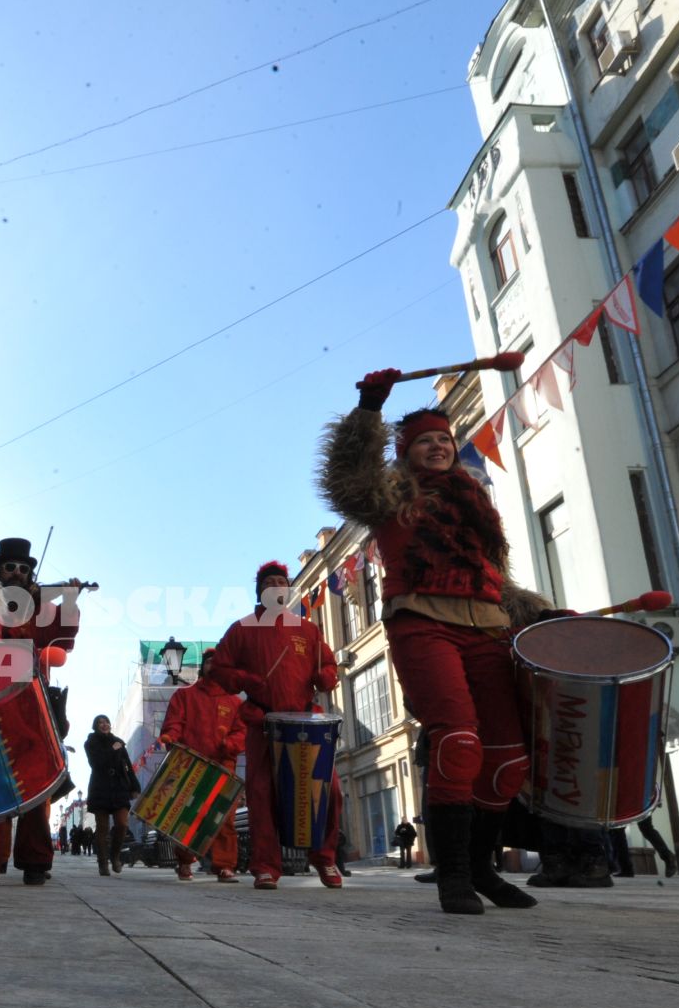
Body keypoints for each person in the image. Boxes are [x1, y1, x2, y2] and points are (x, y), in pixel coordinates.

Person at [320, 370, 550, 915]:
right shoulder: (390, 493)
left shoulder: (477, 506)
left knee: (509, 758)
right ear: (406, 451)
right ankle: (452, 876)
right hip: (421, 621)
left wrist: (539, 613)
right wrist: (369, 410)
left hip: (487, 627)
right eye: (426, 440)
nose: (440, 447)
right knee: (458, 740)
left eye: (445, 440)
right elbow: (348, 477)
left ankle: (481, 868)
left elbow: (494, 578)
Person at [201, 562, 344, 889]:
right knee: (262, 793)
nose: (278, 586)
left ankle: (325, 859)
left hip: (305, 722)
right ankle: (266, 865)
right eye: (271, 582)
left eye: (283, 582)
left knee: (328, 790)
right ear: (261, 591)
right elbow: (220, 668)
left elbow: (328, 664)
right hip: (263, 722)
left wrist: (327, 676)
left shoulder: (307, 629)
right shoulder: (241, 630)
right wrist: (243, 679)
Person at [0, 537, 81, 887]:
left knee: (35, 779)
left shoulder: (40, 607)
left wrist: (70, 597)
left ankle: (35, 858)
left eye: (23, 569)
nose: (16, 573)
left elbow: (65, 636)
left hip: (30, 700)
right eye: (9, 567)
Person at [156, 648, 246, 881]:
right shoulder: (184, 695)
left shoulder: (235, 702)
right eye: (209, 662)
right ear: (202, 667)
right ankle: (184, 861)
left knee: (224, 818)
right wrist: (170, 737)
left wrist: (230, 743)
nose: (213, 665)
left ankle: (225, 866)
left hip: (223, 765)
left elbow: (241, 732)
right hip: (192, 764)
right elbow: (174, 723)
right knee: (188, 814)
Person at [84, 715, 140, 876]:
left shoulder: (119, 742)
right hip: (100, 787)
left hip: (119, 786)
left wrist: (134, 785)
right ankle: (103, 863)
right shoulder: (91, 743)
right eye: (100, 723)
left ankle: (115, 856)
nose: (104, 725)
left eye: (106, 722)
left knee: (122, 824)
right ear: (95, 726)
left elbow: (128, 766)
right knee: (102, 828)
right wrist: (112, 749)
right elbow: (96, 763)